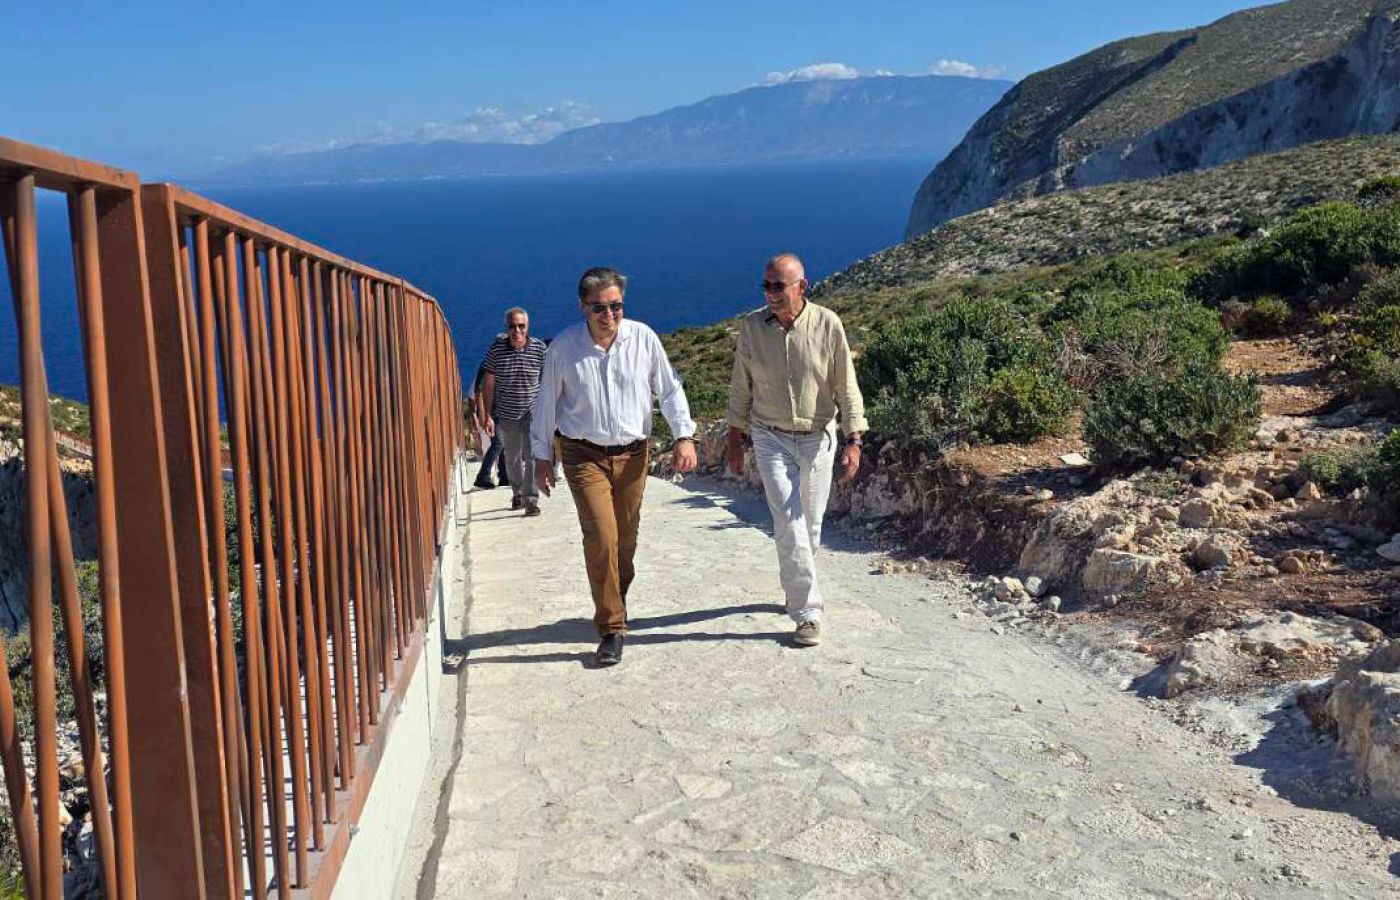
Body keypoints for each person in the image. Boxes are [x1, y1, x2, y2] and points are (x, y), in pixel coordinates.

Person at [531, 267, 698, 666]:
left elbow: (669, 389)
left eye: (616, 306)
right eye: (599, 308)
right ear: (583, 306)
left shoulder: (643, 338)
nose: (609, 315)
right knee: (601, 537)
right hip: (582, 454)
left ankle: (614, 597)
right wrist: (541, 457)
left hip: (633, 456)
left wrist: (684, 435)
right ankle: (611, 627)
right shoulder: (564, 348)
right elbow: (546, 403)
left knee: (625, 541)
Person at [726, 253, 866, 647]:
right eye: (766, 286)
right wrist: (734, 438)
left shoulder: (828, 324)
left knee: (811, 526)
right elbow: (740, 386)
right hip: (769, 436)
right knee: (789, 521)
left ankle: (795, 585)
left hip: (817, 437)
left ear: (801, 286)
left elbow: (846, 386)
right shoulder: (751, 328)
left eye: (778, 286)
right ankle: (808, 613)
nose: (770, 293)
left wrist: (854, 440)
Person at [482, 307, 548, 515]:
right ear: (507, 327)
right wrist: (487, 415)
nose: (517, 330)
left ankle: (531, 500)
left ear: (527, 327)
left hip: (533, 412)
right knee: (512, 457)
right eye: (512, 326)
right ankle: (517, 492)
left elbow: (547, 381)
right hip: (507, 413)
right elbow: (489, 385)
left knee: (532, 455)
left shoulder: (539, 349)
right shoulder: (496, 350)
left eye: (521, 326)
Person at [470, 356, 509, 489]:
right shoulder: (488, 364)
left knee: (504, 442)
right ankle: (482, 476)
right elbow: (479, 391)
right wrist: (482, 413)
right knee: (498, 443)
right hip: (492, 411)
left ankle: (504, 476)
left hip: (503, 410)